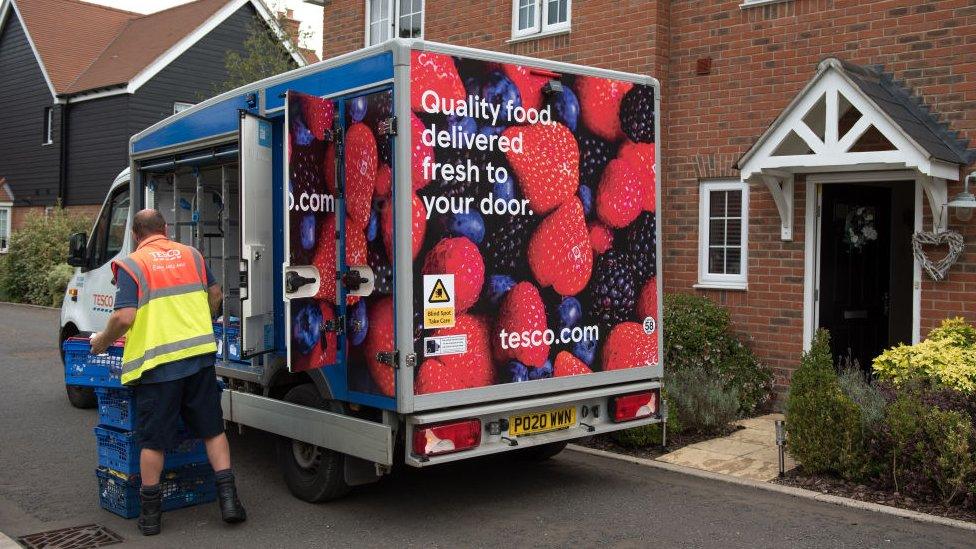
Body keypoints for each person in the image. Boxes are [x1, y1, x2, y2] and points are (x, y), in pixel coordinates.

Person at [90, 209, 246, 536]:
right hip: (199, 359)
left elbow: (125, 317)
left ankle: (150, 517)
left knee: (154, 441)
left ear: (135, 235)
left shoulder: (133, 264)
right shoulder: (192, 255)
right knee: (212, 430)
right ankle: (230, 503)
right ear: (166, 229)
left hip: (158, 368)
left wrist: (102, 342)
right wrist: (204, 317)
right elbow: (216, 295)